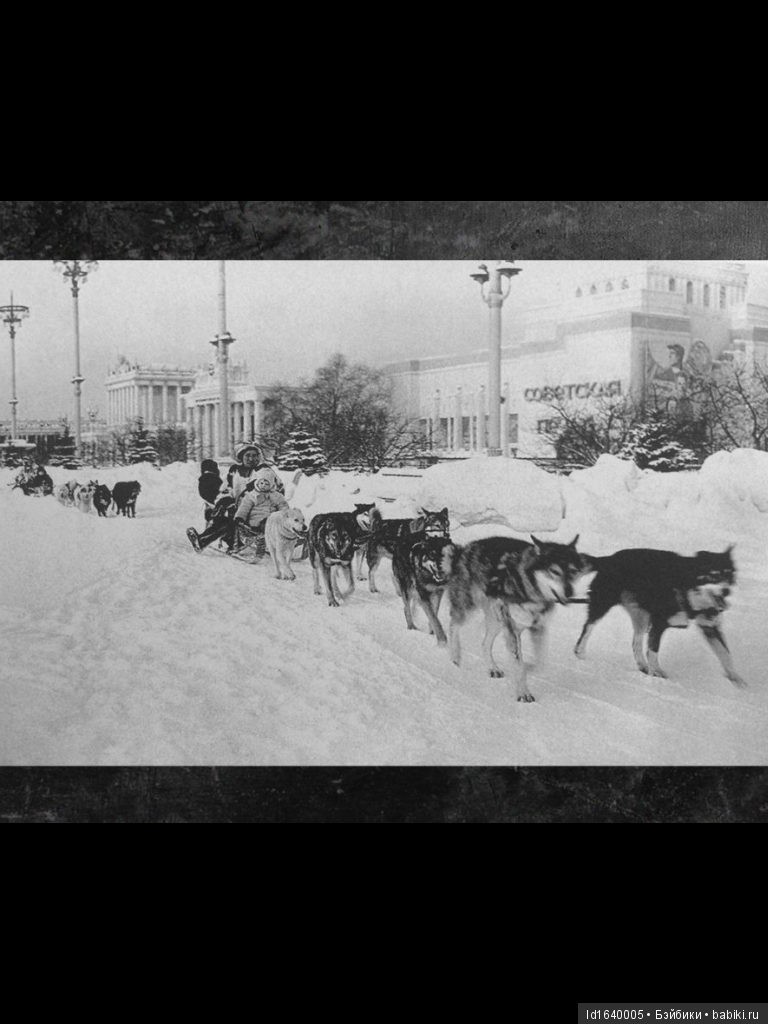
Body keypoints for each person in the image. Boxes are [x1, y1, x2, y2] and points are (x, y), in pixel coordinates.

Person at [233, 470, 290, 557]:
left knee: (280, 524)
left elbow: (283, 506)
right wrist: (240, 517)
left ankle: (287, 541)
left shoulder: (277, 496)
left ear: (271, 485)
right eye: (261, 483)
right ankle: (263, 542)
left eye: (267, 484)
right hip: (256, 521)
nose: (263, 486)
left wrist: (287, 515)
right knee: (267, 525)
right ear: (257, 482)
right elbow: (244, 508)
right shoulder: (251, 496)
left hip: (272, 519)